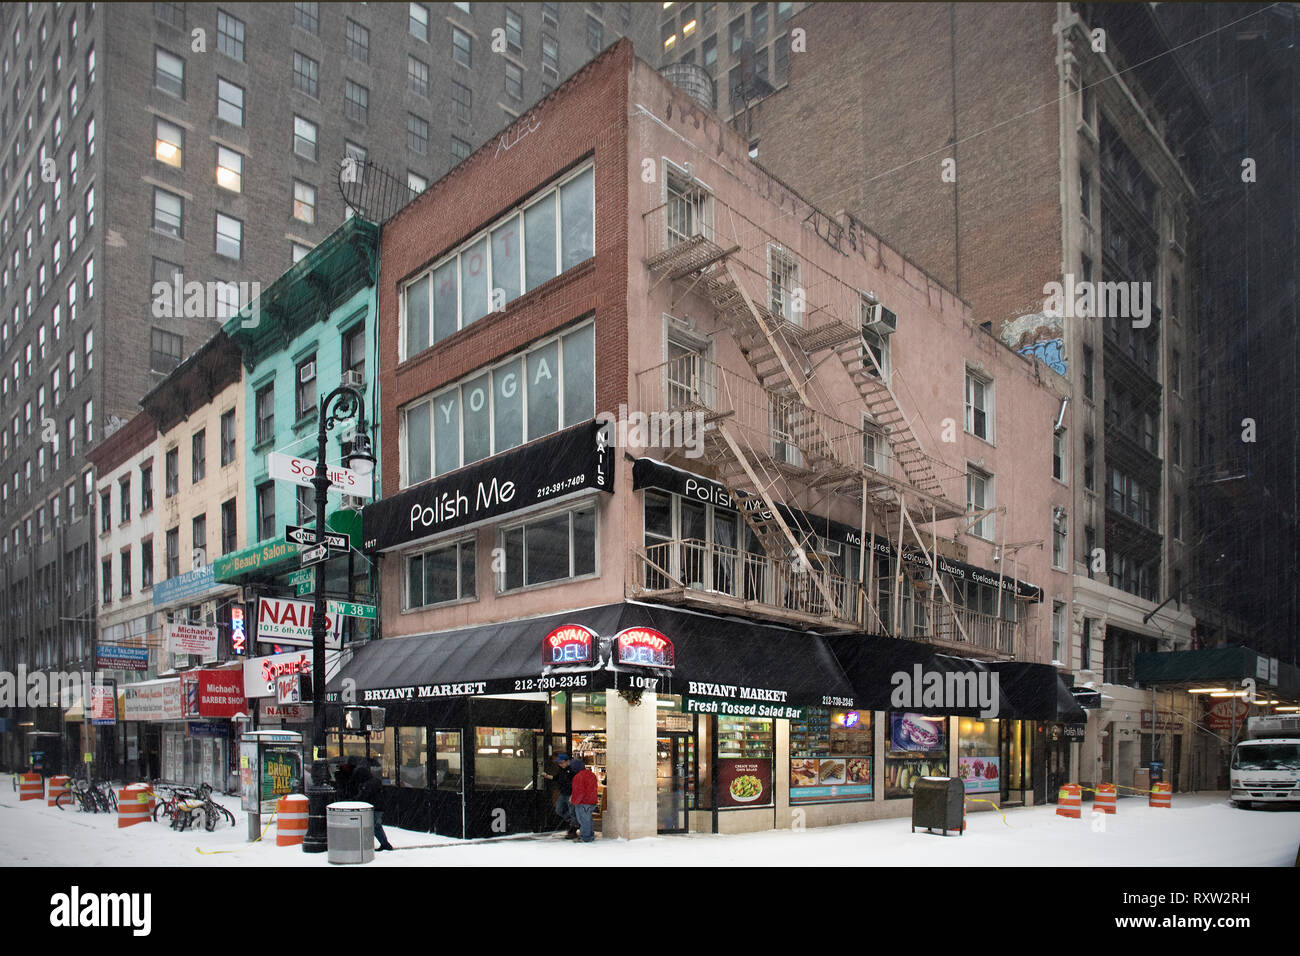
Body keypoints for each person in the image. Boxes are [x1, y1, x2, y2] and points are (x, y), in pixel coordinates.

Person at [353, 764, 394, 852]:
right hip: (378, 807)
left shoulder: (368, 784)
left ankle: (385, 844)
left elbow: (365, 795)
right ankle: (384, 844)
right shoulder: (374, 781)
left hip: (375, 807)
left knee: (375, 826)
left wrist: (355, 799)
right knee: (375, 826)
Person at [540, 753, 578, 838]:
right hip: (563, 793)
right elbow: (557, 778)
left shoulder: (573, 770)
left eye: (561, 763)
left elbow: (576, 783)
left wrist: (573, 794)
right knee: (559, 810)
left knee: (572, 811)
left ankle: (573, 828)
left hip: (571, 794)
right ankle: (572, 822)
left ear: (567, 761)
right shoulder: (561, 770)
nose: (560, 765)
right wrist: (547, 776)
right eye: (559, 763)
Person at [568, 756, 598, 843]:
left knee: (583, 820)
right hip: (591, 800)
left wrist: (573, 801)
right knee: (588, 819)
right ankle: (589, 835)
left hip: (584, 802)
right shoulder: (591, 774)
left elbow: (579, 791)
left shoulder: (578, 777)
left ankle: (585, 837)